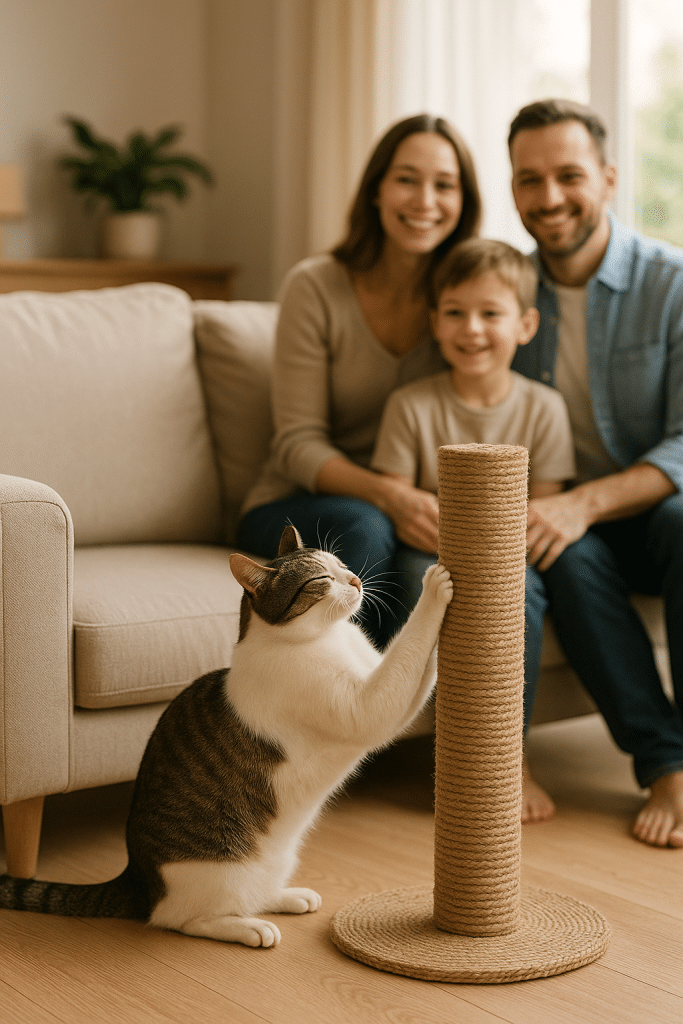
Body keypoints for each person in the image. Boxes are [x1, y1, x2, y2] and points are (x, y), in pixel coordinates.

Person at [507, 98, 683, 847]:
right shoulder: (503, 292)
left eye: (568, 175)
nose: (549, 198)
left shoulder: (668, 282)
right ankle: (666, 764)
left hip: (650, 510)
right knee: (565, 555)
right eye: (528, 179)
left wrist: (584, 503)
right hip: (564, 521)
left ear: (607, 179)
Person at [237, 114, 482, 650]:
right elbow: (297, 444)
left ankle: (392, 723)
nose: (425, 200)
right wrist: (394, 497)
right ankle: (344, 716)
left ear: (464, 201)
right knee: (368, 525)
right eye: (406, 179)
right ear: (376, 190)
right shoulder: (315, 286)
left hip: (409, 509)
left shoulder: (468, 305)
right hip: (293, 509)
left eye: (444, 184)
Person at [371, 237, 575, 822]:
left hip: (513, 559)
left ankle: (511, 760)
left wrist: (494, 557)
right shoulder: (410, 405)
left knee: (520, 597)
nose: (473, 329)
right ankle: (451, 760)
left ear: (526, 324)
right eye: (456, 312)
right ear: (434, 322)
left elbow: (545, 508)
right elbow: (397, 499)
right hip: (428, 556)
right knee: (427, 597)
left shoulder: (544, 408)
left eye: (492, 313)